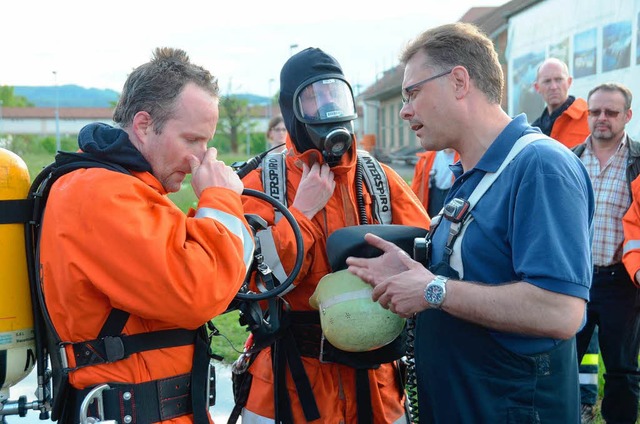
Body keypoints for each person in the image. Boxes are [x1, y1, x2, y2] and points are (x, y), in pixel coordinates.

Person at [346, 22, 594, 423]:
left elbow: (560, 311)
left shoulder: (540, 166)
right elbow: (478, 273)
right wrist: (416, 272)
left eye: (412, 93)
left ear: (459, 81)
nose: (405, 108)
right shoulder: (472, 173)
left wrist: (432, 289)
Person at [39, 47, 254, 423]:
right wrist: (219, 200)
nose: (201, 159)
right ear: (142, 125)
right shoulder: (102, 195)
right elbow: (198, 291)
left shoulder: (133, 191)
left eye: (207, 142)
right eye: (192, 140)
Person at [238, 47, 430, 423]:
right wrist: (303, 213)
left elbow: (427, 253)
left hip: (376, 384)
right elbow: (267, 275)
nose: (327, 107)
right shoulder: (261, 184)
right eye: (314, 97)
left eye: (334, 94)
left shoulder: (378, 179)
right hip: (289, 386)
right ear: (293, 109)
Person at [576, 82, 640, 424]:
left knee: (622, 369)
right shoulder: (570, 159)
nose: (602, 118)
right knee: (561, 362)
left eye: (611, 112)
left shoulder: (638, 161)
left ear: (627, 116)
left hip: (622, 283)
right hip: (575, 280)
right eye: (595, 111)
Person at [531, 57, 590, 149]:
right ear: (537, 87)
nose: (553, 87)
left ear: (569, 82)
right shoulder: (533, 132)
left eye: (559, 80)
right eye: (547, 81)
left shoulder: (589, 117)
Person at [411, 148, 457, 217]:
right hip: (432, 205)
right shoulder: (427, 159)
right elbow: (416, 188)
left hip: (454, 205)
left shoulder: (464, 158)